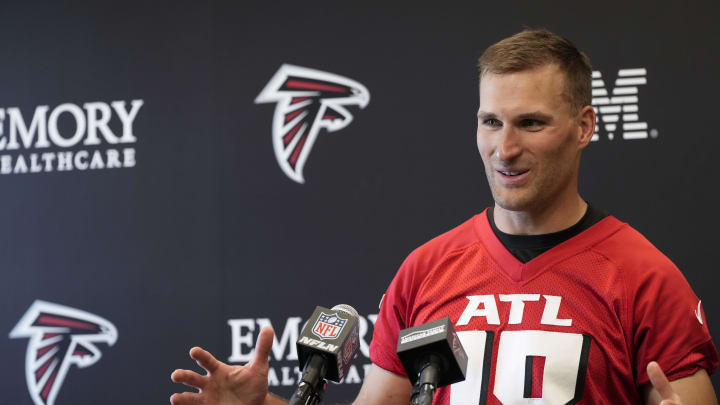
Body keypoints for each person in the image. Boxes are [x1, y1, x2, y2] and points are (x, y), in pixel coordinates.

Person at [170, 29, 719, 405]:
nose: (504, 149)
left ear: (583, 127)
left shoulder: (645, 278)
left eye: (530, 123)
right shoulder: (426, 268)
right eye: (490, 121)